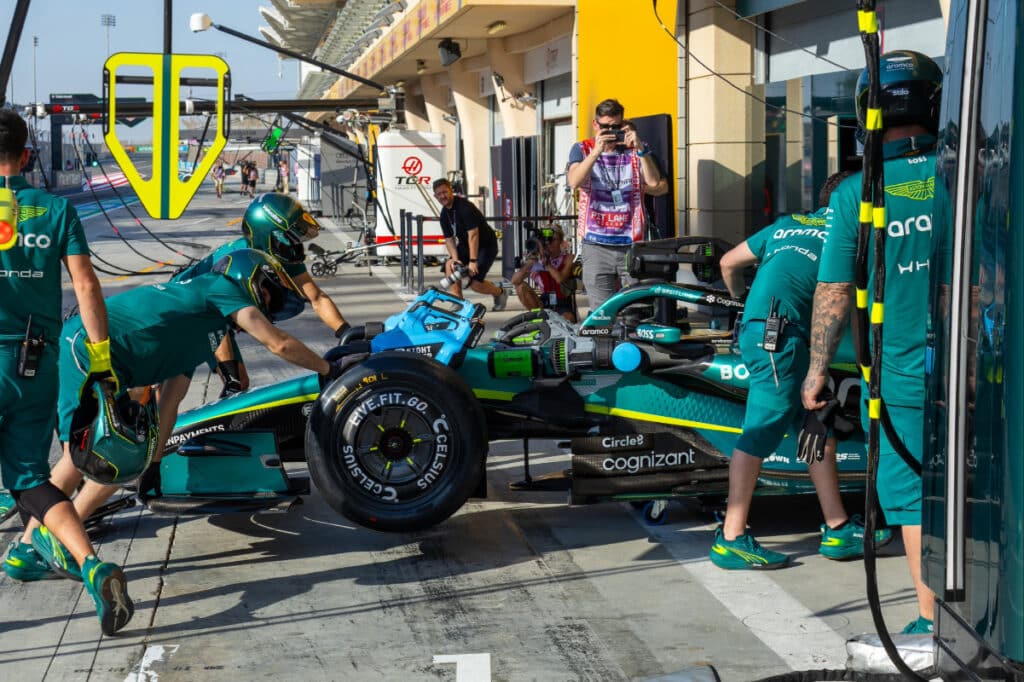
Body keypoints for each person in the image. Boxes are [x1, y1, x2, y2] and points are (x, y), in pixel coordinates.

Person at [18, 249, 354, 575]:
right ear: (247, 278)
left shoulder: (202, 329)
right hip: (87, 349)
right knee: (90, 454)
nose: (266, 307)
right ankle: (43, 541)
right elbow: (278, 343)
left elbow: (171, 402)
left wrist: (152, 460)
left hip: (108, 360)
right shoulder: (219, 288)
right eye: (267, 295)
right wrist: (328, 369)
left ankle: (33, 545)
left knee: (124, 453)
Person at [801, 50, 941, 635]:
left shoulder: (854, 193)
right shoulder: (973, 173)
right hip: (981, 368)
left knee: (909, 494)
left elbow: (834, 288)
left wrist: (815, 370)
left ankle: (933, 621)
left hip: (901, 374)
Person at [708, 172, 894, 570]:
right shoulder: (847, 237)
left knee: (816, 428)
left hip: (768, 332)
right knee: (761, 430)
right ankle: (731, 537)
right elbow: (847, 301)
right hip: (781, 339)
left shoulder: (786, 224)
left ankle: (837, 526)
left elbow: (727, 262)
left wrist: (744, 306)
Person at [0, 109, 134, 636]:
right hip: (35, 363)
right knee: (31, 479)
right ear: (28, 156)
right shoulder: (56, 212)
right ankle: (90, 564)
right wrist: (99, 362)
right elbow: (86, 287)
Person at [174, 193, 350, 396]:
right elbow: (214, 321)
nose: (295, 246)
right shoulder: (233, 263)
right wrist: (229, 373)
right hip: (190, 310)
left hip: (215, 316)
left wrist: (346, 333)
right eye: (288, 237)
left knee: (241, 384)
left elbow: (317, 298)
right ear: (266, 235)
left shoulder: (278, 251)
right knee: (227, 383)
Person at [567, 100, 668, 311]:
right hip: (596, 244)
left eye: (616, 127)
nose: (611, 132)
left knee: (636, 309)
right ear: (596, 125)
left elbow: (654, 183)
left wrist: (641, 150)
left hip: (630, 243)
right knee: (602, 313)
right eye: (605, 127)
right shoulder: (582, 148)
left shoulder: (636, 149)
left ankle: (630, 345)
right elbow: (574, 182)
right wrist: (596, 152)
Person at [433, 178, 507, 311]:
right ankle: (458, 302)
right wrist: (456, 260)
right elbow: (449, 240)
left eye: (445, 192)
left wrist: (473, 261)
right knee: (450, 265)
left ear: (451, 190)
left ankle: (500, 293)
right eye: (439, 194)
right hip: (466, 245)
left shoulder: (464, 207)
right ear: (435, 196)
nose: (442, 196)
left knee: (476, 285)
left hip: (486, 245)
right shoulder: (444, 214)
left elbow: (473, 234)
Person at [509, 224, 577, 322]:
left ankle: (545, 321)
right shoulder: (536, 259)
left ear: (561, 242)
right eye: (545, 241)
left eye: (553, 240)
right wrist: (530, 261)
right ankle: (538, 317)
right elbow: (515, 281)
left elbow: (560, 279)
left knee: (568, 319)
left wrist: (547, 263)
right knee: (521, 287)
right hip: (544, 302)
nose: (549, 243)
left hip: (563, 303)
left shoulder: (568, 258)